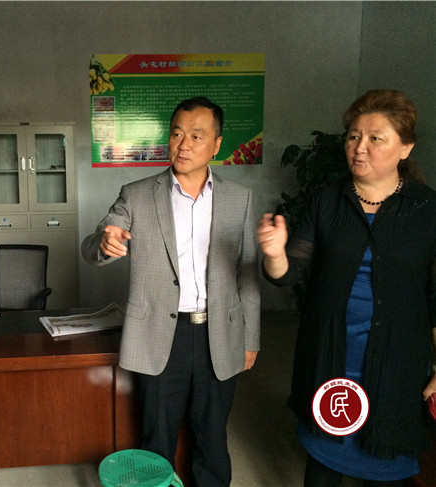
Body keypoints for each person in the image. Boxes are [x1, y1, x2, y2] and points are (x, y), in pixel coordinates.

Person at [258, 89, 436, 486]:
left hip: (397, 358)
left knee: (384, 462)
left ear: (405, 148)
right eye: (354, 136)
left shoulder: (427, 209)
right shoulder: (327, 200)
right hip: (331, 350)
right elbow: (288, 273)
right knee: (324, 459)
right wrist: (274, 253)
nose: (360, 147)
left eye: (376, 138)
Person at [81, 96, 260, 486]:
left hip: (220, 333)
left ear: (217, 144)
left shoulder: (239, 198)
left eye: (197, 135)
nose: (184, 144)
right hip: (161, 334)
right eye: (177, 134)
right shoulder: (136, 194)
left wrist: (251, 338)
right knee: (156, 440)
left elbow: (246, 275)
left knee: (212, 437)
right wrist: (105, 244)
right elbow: (94, 244)